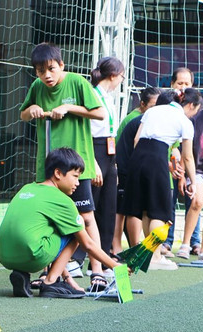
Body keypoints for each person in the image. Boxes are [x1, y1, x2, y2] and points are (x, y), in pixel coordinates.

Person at [19, 42, 109, 291]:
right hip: (49, 169)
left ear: (61, 66)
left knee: (86, 218)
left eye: (51, 69)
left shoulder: (78, 82)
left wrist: (68, 108)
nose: (46, 75)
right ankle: (52, 274)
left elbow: (101, 113)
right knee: (49, 221)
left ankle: (98, 272)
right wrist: (33, 109)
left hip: (75, 168)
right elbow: (23, 114)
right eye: (40, 71)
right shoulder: (37, 87)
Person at [0, 147, 123, 298]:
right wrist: (115, 266)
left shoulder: (27, 188)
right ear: (57, 173)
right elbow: (87, 244)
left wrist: (69, 279)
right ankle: (50, 282)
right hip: (33, 256)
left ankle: (22, 274)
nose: (77, 183)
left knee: (50, 230)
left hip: (4, 256)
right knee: (78, 227)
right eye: (75, 176)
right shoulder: (63, 201)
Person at [122, 88, 203, 270]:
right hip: (157, 157)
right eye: (195, 111)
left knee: (144, 209)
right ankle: (155, 257)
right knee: (158, 211)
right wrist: (193, 181)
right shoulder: (184, 121)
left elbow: (136, 139)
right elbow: (188, 157)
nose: (193, 115)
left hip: (138, 156)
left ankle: (151, 255)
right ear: (190, 105)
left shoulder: (152, 111)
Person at [111, 87, 162, 255]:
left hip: (136, 168)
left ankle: (136, 246)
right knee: (123, 210)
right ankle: (119, 246)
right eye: (153, 105)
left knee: (133, 210)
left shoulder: (150, 119)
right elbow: (134, 142)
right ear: (142, 104)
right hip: (127, 168)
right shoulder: (138, 120)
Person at [89, 57, 125, 264]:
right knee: (90, 204)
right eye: (121, 76)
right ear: (113, 75)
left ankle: (104, 255)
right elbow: (85, 130)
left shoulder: (109, 97)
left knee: (109, 205)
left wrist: (114, 164)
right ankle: (77, 258)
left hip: (110, 151)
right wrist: (92, 161)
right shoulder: (92, 94)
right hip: (94, 149)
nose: (121, 80)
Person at [163, 67, 202, 257]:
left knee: (194, 200)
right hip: (173, 163)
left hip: (195, 165)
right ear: (172, 85)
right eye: (180, 83)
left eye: (187, 84)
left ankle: (194, 242)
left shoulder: (196, 108)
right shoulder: (167, 107)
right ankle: (167, 241)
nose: (183, 87)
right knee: (169, 201)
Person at [179, 82, 203, 263]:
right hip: (198, 170)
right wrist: (186, 174)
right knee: (197, 201)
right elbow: (185, 149)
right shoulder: (195, 119)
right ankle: (185, 244)